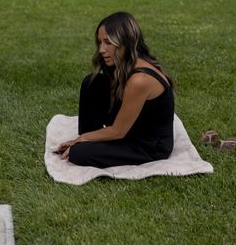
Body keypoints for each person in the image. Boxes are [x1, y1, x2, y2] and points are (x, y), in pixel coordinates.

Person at [56, 12, 175, 167]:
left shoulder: (139, 80)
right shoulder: (127, 65)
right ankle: (91, 140)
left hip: (149, 146)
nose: (101, 50)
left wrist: (82, 139)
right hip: (133, 128)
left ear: (126, 42)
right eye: (99, 42)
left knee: (79, 153)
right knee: (92, 83)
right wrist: (86, 137)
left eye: (108, 42)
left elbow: (118, 132)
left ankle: (87, 144)